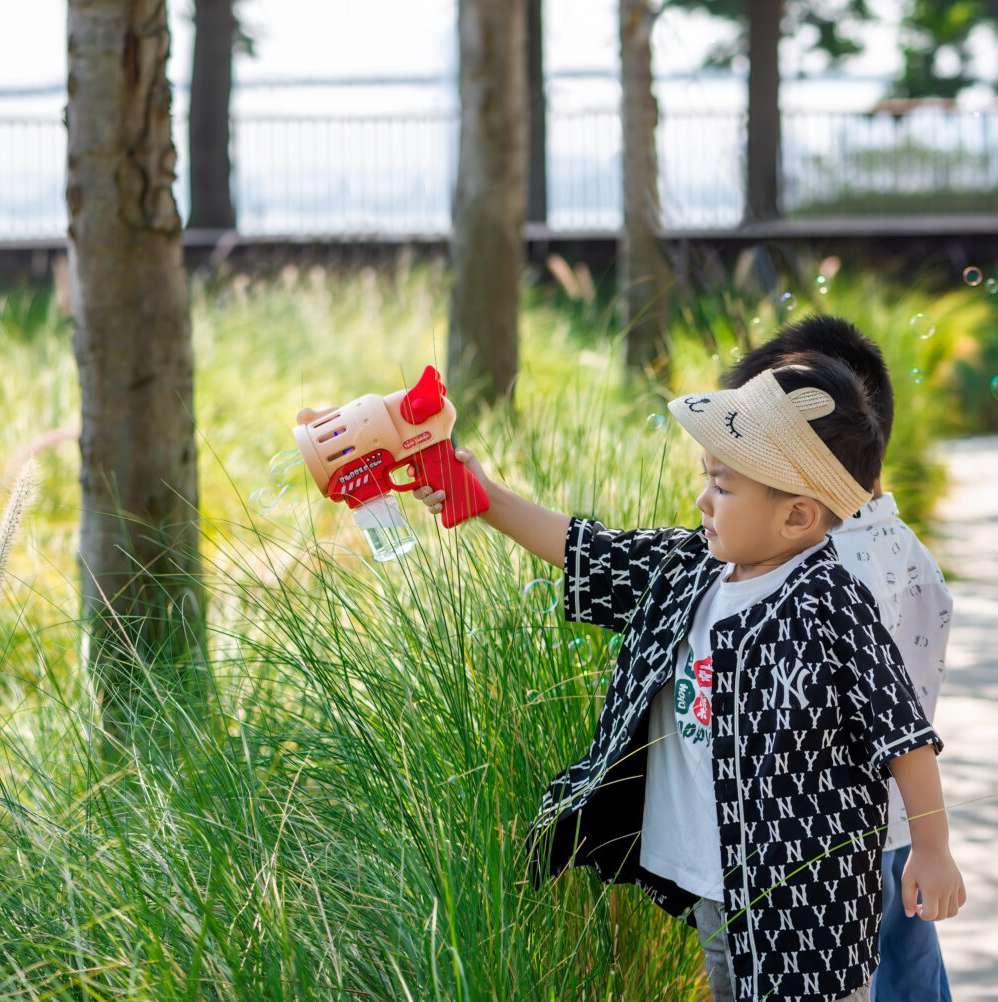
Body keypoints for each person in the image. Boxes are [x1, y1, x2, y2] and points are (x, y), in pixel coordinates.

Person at [413, 356, 964, 1002]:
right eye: (707, 478)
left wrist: (931, 846)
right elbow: (591, 551)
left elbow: (902, 731)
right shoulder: (690, 570)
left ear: (796, 518)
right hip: (715, 876)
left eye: (723, 487)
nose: (703, 500)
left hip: (807, 904)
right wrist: (487, 499)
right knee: (727, 986)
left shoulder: (829, 603)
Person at [726, 317, 956, 1002]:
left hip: (824, 849)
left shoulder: (815, 568)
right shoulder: (910, 553)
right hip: (891, 829)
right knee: (909, 978)